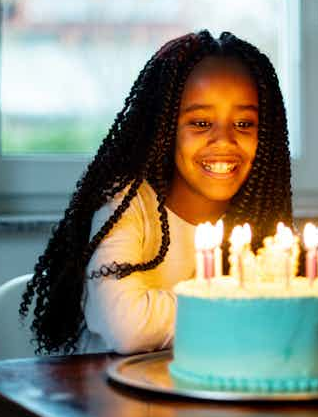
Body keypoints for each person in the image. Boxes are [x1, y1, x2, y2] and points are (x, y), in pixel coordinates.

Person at [20, 30, 292, 355]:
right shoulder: (127, 204)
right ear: (163, 129)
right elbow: (128, 327)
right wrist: (256, 303)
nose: (224, 140)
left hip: (203, 400)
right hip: (105, 399)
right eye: (201, 123)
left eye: (245, 124)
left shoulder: (260, 210)